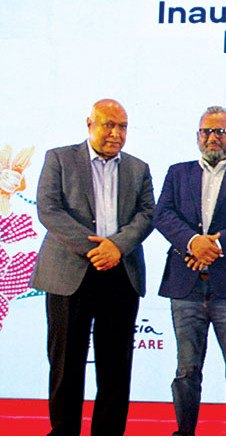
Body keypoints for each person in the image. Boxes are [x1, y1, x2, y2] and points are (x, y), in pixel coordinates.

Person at [30, 99, 155, 435]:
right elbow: (49, 209)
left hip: (121, 274)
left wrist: (117, 247)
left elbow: (147, 215)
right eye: (108, 125)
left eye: (122, 126)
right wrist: (96, 250)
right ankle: (64, 432)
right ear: (90, 124)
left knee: (116, 367)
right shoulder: (59, 158)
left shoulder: (138, 168)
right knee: (66, 364)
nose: (116, 133)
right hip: (69, 274)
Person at [153, 106, 226, 436]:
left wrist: (216, 245)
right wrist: (193, 243)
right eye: (207, 131)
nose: (213, 137)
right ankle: (185, 433)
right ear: (197, 136)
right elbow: (163, 215)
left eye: (221, 132)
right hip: (186, 284)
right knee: (186, 370)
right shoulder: (178, 173)